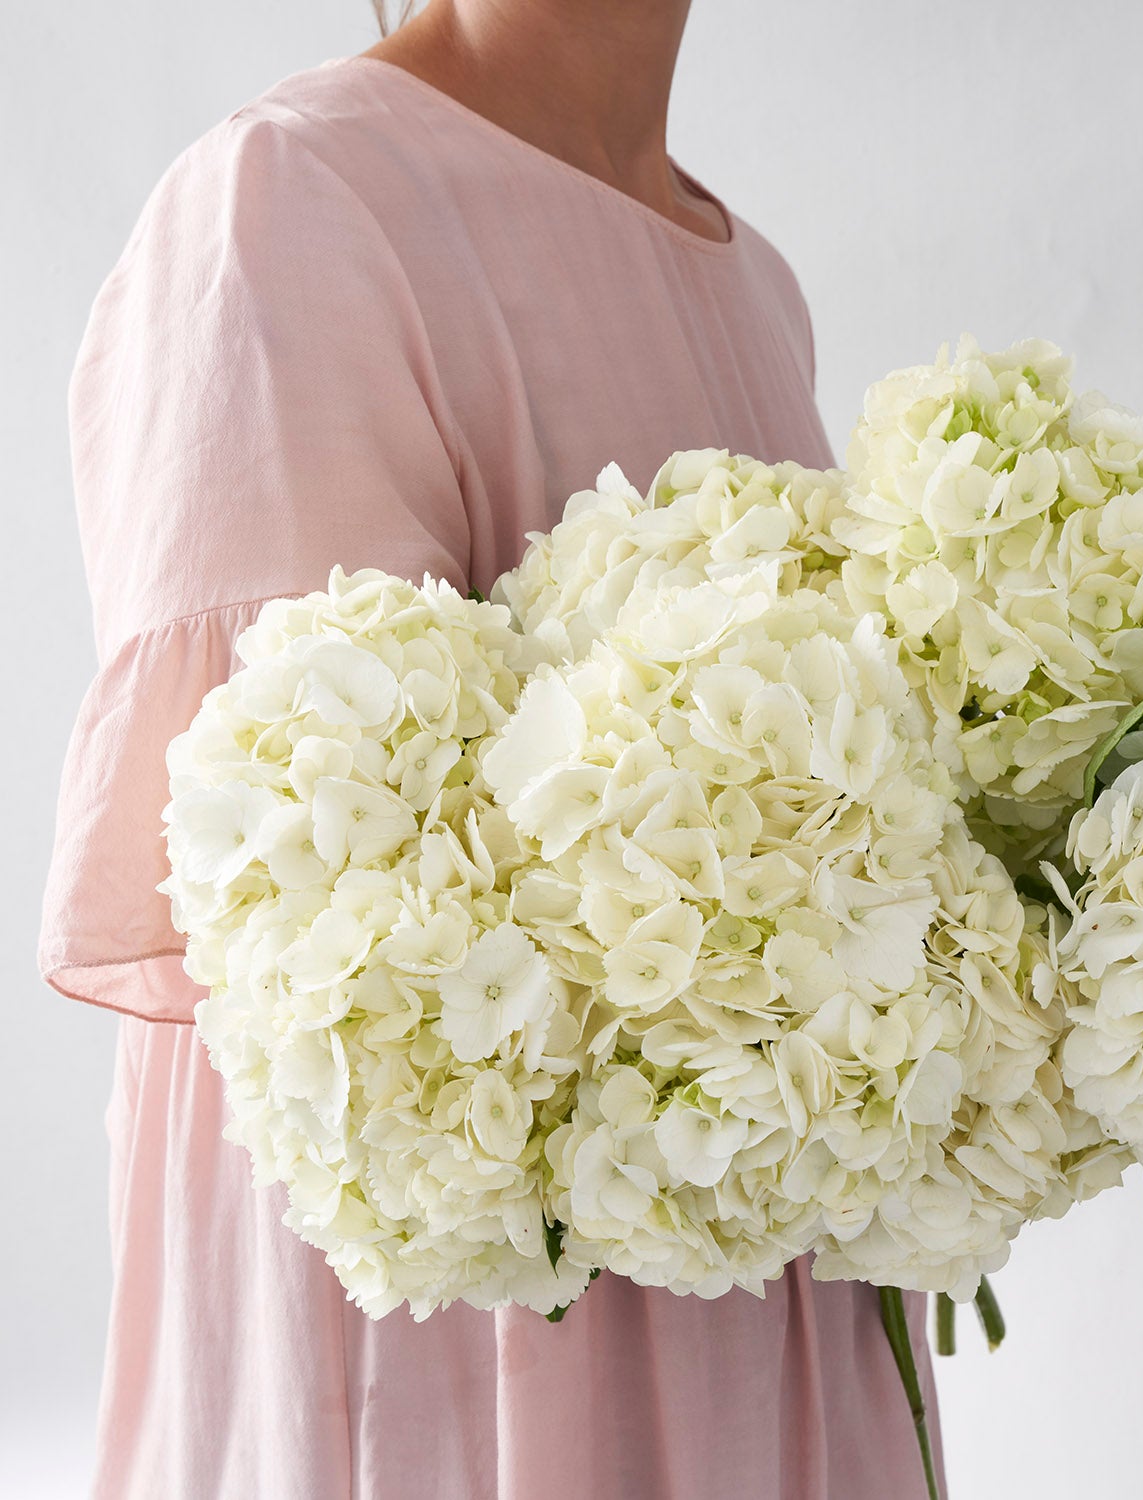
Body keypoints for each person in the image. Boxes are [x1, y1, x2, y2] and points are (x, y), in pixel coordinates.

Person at [37, 1, 945, 1495]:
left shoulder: (757, 286)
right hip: (474, 1369)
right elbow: (317, 973)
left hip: (777, 1286)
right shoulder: (291, 207)